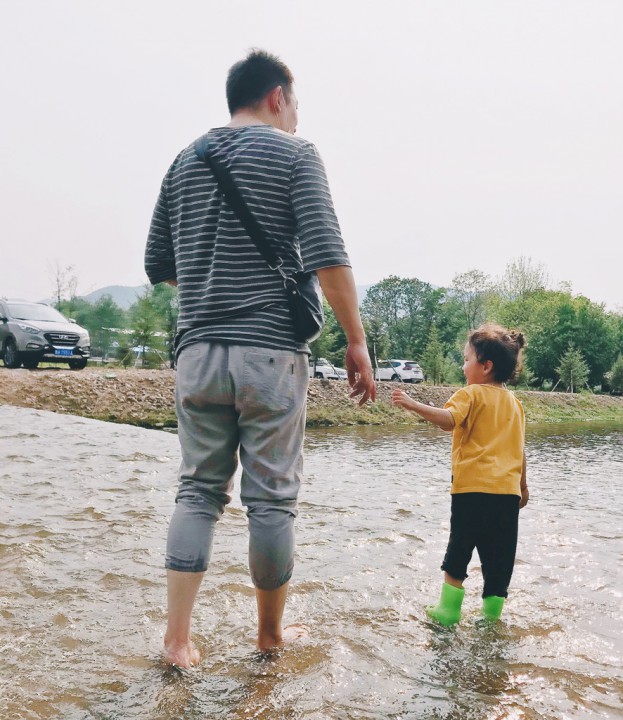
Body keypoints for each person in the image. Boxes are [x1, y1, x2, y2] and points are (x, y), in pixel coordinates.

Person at [145, 49, 375, 667]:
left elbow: (157, 264)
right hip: (271, 354)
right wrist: (356, 341)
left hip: (197, 354)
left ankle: (176, 643)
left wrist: (212, 293)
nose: (297, 119)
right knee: (270, 502)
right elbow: (328, 255)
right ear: (278, 97)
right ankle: (268, 639)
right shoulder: (297, 155)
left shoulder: (185, 159)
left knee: (197, 493)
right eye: (296, 105)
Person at [391, 323, 529, 626]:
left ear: (486, 366)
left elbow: (448, 420)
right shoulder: (515, 404)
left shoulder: (471, 394)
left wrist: (413, 405)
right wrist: (523, 487)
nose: (463, 366)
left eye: (467, 360)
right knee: (500, 557)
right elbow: (520, 450)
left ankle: (448, 611)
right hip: (507, 494)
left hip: (472, 490)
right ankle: (491, 618)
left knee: (460, 548)